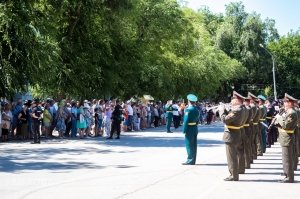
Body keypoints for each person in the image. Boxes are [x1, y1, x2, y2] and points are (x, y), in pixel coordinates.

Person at [220, 91, 244, 181]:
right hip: (235, 133)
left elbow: (225, 120)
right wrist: (226, 110)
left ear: (238, 100)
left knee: (231, 157)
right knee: (234, 155)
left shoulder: (237, 110)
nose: (232, 100)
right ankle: (234, 174)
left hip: (231, 135)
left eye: (233, 98)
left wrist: (221, 110)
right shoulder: (240, 109)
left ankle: (233, 175)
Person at [275, 93, 298, 183]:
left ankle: (289, 177)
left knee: (287, 158)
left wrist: (279, 118)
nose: (284, 103)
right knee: (286, 158)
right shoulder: (288, 112)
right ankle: (287, 175)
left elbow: (286, 125)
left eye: (285, 102)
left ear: (290, 103)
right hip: (285, 137)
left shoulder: (291, 113)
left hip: (287, 138)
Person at [182, 94, 200, 165]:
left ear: (189, 101)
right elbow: (197, 120)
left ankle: (190, 160)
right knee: (194, 145)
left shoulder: (188, 110)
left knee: (189, 145)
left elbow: (186, 121)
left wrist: (184, 129)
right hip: (195, 128)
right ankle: (193, 160)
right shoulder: (196, 109)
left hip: (189, 129)